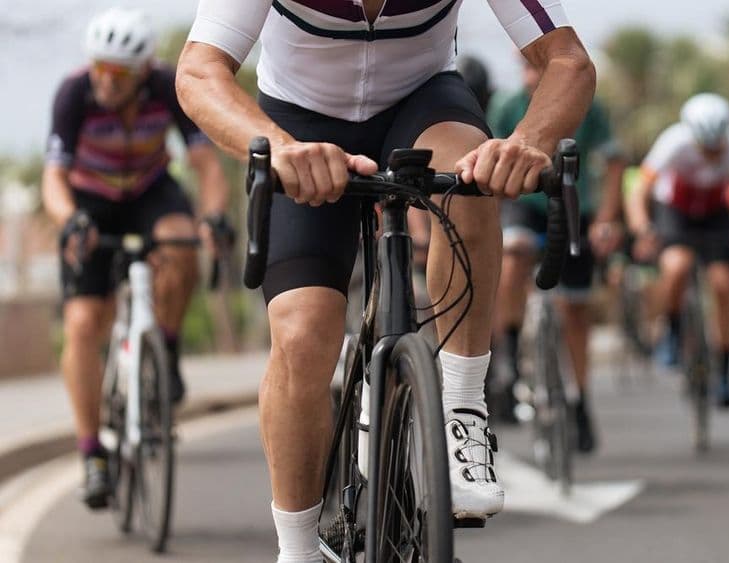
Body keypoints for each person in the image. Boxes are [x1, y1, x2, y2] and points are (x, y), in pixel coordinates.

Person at [176, 0, 595, 560]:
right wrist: (278, 148)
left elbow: (568, 61)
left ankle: (463, 412)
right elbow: (198, 70)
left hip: (424, 105)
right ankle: (297, 549)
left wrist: (527, 142)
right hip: (301, 124)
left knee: (471, 176)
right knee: (302, 335)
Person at [42, 8, 231, 510]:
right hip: (91, 198)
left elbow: (205, 165)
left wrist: (214, 216)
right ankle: (92, 454)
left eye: (119, 73)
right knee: (84, 323)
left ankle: (165, 346)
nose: (106, 81)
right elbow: (53, 178)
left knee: (181, 241)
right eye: (99, 68)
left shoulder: (166, 87)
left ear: (143, 70)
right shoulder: (73, 94)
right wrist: (70, 220)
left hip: (149, 190)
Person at [487, 54, 626, 452]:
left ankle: (580, 402)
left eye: (541, 69)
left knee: (575, 311)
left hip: (572, 205)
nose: (533, 77)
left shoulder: (590, 107)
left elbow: (614, 162)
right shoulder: (507, 105)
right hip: (524, 205)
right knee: (514, 253)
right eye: (528, 68)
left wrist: (607, 219)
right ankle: (510, 354)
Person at [626, 93, 729, 409]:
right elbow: (640, 189)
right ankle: (673, 330)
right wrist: (642, 227)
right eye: (706, 148)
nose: (712, 154)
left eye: (718, 148)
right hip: (676, 210)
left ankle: (725, 369)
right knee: (676, 266)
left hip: (717, 212)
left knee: (723, 285)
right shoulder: (674, 142)